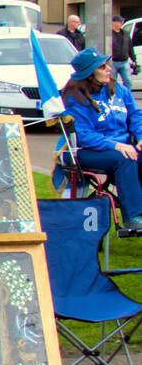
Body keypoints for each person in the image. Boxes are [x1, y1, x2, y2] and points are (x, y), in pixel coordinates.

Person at [60, 47, 142, 232]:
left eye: (107, 65)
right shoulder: (75, 98)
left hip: (122, 145)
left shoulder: (119, 89)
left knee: (136, 153)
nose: (108, 70)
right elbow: (84, 136)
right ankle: (134, 218)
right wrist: (116, 145)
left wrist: (140, 136)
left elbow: (136, 115)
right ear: (89, 73)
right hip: (89, 150)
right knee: (125, 158)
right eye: (102, 67)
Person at [111, 15, 136, 91]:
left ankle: (128, 97)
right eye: (119, 22)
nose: (121, 23)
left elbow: (130, 47)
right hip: (113, 62)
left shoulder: (125, 33)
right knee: (112, 82)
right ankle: (113, 97)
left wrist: (134, 59)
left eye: (122, 22)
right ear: (114, 23)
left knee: (128, 81)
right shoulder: (109, 34)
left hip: (124, 61)